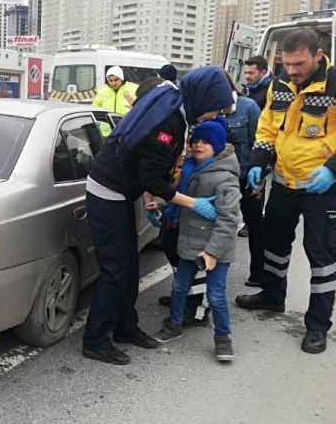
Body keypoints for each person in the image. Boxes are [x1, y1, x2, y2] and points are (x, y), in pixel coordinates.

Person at [81, 66, 234, 365]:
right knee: (116, 270)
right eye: (214, 110)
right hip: (107, 192)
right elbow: (152, 178)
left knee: (130, 266)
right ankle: (95, 340)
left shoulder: (170, 97)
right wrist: (192, 203)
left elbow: (144, 161)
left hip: (120, 191)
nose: (214, 117)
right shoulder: (169, 120)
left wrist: (153, 200)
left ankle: (126, 328)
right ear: (202, 100)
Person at [235, 29, 336, 354]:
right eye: (286, 64)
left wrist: (334, 169)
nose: (293, 70)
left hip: (322, 190)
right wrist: (259, 160)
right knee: (275, 244)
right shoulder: (279, 83)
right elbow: (268, 127)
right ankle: (272, 296)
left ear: (318, 55)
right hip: (284, 183)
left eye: (299, 63)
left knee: (322, 256)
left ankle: (317, 325)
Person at [151, 118, 241, 362]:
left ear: (218, 145)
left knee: (216, 294)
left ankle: (223, 338)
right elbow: (178, 196)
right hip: (188, 241)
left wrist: (212, 252)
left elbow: (229, 220)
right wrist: (160, 203)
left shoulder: (225, 177)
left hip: (216, 250)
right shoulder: (190, 167)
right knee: (180, 287)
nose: (199, 145)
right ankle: (175, 323)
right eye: (196, 140)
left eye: (206, 142)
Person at [221, 72, 264, 287]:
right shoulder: (208, 111)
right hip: (219, 182)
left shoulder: (248, 107)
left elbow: (261, 144)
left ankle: (259, 273)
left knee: (255, 226)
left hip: (247, 179)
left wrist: (261, 177)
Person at [92, 66, 138, 136]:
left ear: (122, 78)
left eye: (116, 80)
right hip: (106, 133)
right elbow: (94, 109)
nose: (113, 83)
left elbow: (140, 108)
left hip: (126, 131)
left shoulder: (133, 89)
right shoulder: (102, 90)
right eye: (110, 80)